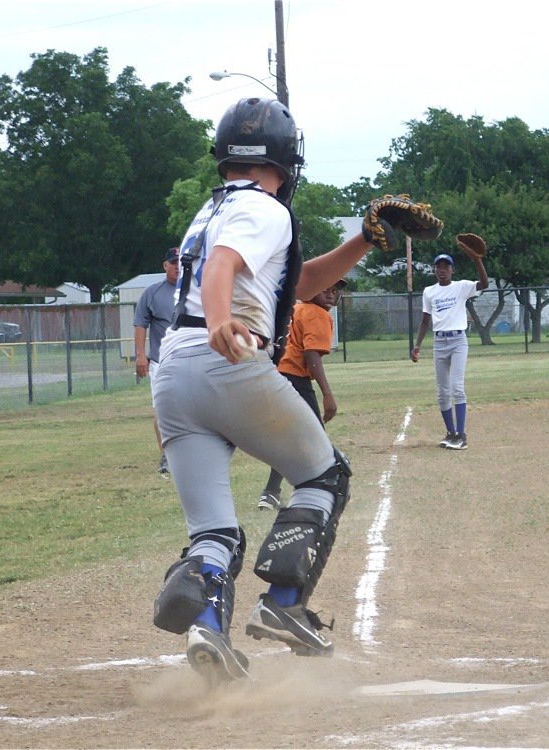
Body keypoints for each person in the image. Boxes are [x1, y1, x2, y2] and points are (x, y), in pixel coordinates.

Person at [151, 97, 387, 684]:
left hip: (172, 373)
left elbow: (297, 283)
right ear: (285, 158)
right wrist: (218, 322)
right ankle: (282, 602)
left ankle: (209, 624)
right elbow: (222, 269)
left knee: (213, 531)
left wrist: (361, 239)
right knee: (325, 475)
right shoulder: (265, 207)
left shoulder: (214, 209)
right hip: (226, 359)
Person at [257, 279, 347, 511]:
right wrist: (327, 394)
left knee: (291, 436)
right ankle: (328, 485)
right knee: (315, 433)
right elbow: (311, 355)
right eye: (325, 287)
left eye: (334, 290)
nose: (330, 293)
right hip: (294, 378)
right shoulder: (316, 313)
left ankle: (271, 493)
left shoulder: (297, 308)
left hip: (276, 375)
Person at [410, 243, 489, 450]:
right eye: (439, 267)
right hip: (439, 342)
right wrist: (417, 346)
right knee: (442, 392)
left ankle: (461, 436)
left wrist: (478, 260)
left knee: (457, 388)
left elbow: (484, 283)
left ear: (452, 270)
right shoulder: (429, 292)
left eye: (446, 266)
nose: (442, 270)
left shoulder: (461, 287)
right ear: (434, 270)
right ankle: (450, 433)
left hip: (458, 341)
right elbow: (425, 320)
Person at [133, 247, 180, 475]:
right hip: (161, 361)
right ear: (165, 266)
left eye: (181, 262)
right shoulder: (152, 292)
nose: (177, 266)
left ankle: (187, 455)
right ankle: (166, 455)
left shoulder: (193, 291)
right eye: (173, 263)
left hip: (187, 359)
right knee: (161, 409)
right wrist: (141, 355)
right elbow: (140, 323)